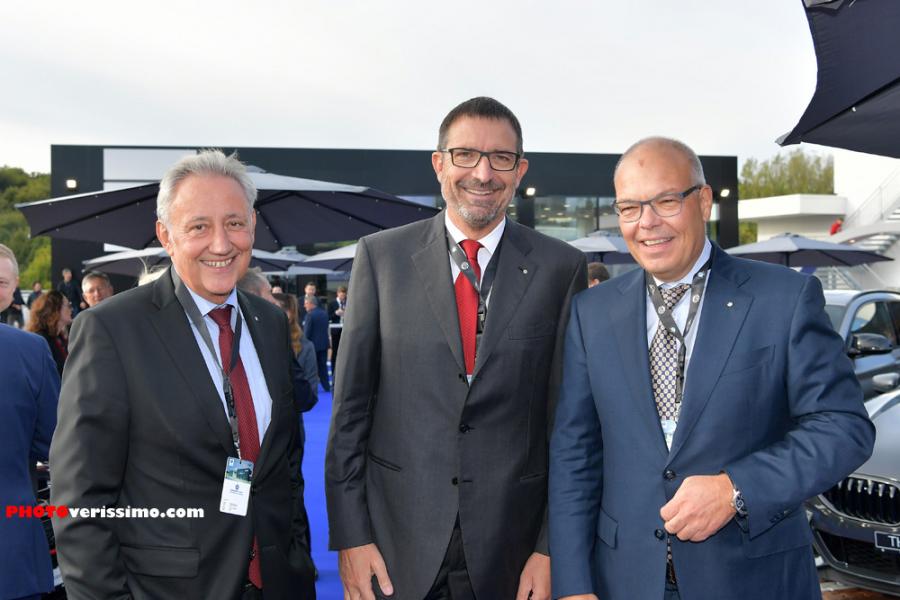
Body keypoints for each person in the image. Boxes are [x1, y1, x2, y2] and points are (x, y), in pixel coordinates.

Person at [548, 137, 875, 600]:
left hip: (753, 580)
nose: (647, 222)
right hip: (623, 581)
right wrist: (573, 585)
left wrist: (736, 489)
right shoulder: (592, 312)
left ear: (703, 202)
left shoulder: (784, 298)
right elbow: (574, 455)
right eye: (630, 208)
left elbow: (843, 427)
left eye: (665, 201)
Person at [326, 96, 587, 600]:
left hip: (512, 552)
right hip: (396, 544)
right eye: (465, 155)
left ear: (520, 171)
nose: (483, 174)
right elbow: (350, 413)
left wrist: (551, 548)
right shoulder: (381, 258)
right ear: (439, 164)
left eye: (500, 158)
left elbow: (568, 425)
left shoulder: (561, 268)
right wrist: (352, 536)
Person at [49, 150, 315, 600]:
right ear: (166, 235)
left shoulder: (269, 324)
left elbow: (286, 466)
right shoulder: (111, 330)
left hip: (277, 582)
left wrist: (297, 558)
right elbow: (80, 502)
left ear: (253, 225)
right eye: (199, 227)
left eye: (234, 223)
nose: (220, 244)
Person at [0, 244, 60, 600]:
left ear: (16, 288)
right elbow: (55, 444)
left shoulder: (30, 349)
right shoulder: (30, 350)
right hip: (11, 552)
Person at [26, 290, 72, 375]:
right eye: (68, 305)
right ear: (56, 309)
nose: (71, 309)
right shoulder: (40, 339)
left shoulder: (58, 335)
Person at [302, 294, 330, 392]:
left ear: (311, 304)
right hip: (323, 345)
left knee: (311, 369)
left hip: (312, 346)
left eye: (306, 303)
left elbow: (306, 333)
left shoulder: (309, 315)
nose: (304, 306)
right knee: (323, 367)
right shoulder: (324, 314)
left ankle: (311, 388)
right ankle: (327, 386)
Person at [327, 285, 347, 376]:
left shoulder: (348, 303)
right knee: (335, 351)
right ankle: (334, 371)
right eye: (341, 295)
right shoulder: (332, 304)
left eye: (344, 295)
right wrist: (336, 313)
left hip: (345, 331)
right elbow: (328, 317)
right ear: (337, 294)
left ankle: (343, 371)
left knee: (345, 351)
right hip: (335, 331)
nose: (343, 297)